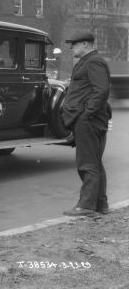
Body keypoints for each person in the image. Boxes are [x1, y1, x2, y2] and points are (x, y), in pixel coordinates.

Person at [60, 30, 112, 217]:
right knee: (95, 163)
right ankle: (100, 204)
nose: (71, 47)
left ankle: (86, 206)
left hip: (88, 120)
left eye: (74, 44)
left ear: (85, 44)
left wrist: (87, 113)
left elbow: (102, 89)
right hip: (90, 118)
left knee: (87, 163)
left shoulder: (93, 61)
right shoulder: (90, 61)